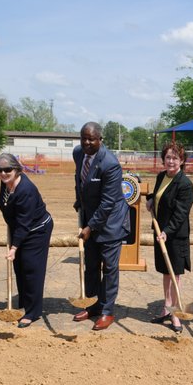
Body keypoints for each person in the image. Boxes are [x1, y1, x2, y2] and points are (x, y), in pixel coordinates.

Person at [72, 121, 129, 331]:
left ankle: (107, 311)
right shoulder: (78, 153)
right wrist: (79, 200)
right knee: (92, 265)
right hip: (90, 218)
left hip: (111, 223)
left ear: (100, 140)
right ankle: (94, 304)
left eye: (91, 139)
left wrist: (90, 227)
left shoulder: (110, 164)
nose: (87, 142)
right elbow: (79, 178)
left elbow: (108, 202)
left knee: (110, 268)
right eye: (83, 138)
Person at [0, 153, 53, 328]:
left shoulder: (26, 190)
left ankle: (33, 312)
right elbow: (5, 205)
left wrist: (14, 247)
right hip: (19, 226)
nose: (3, 173)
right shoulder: (5, 182)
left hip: (37, 230)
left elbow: (24, 223)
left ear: (17, 169)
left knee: (31, 268)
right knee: (19, 266)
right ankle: (24, 302)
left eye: (8, 170)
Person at [146, 142, 193, 333]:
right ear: (163, 159)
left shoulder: (185, 184)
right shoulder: (161, 176)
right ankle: (166, 308)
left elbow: (180, 213)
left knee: (175, 274)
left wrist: (168, 231)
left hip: (174, 236)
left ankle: (175, 314)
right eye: (168, 157)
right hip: (160, 233)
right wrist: (150, 198)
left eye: (175, 158)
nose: (171, 161)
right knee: (166, 273)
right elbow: (159, 195)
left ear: (182, 161)